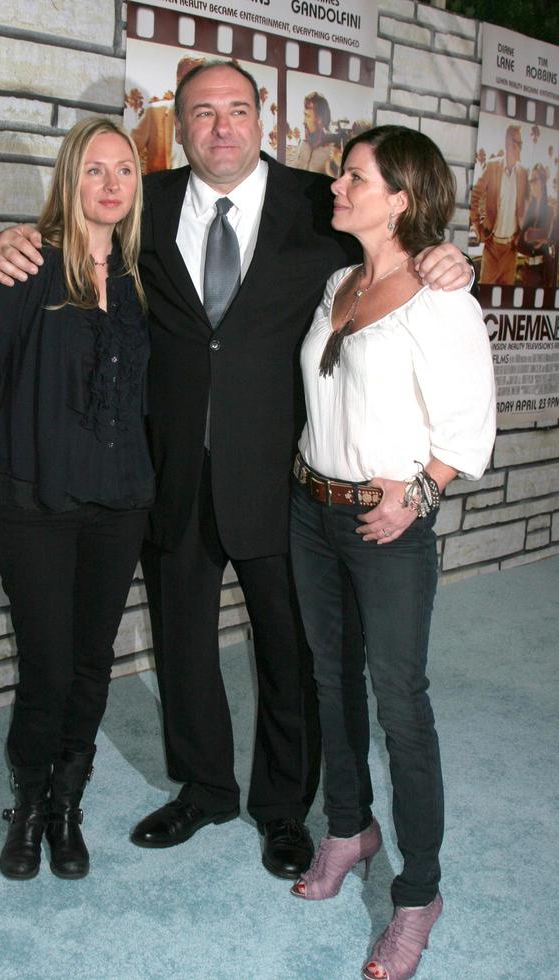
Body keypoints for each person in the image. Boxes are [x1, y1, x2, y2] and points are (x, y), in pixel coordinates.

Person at [0, 61, 473, 881]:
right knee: (183, 649)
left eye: (237, 111)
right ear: (180, 127)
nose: (221, 128)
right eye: (203, 113)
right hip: (166, 475)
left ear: (262, 118)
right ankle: (204, 787)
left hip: (282, 481)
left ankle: (282, 808)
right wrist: (15, 237)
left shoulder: (320, 207)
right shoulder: (148, 202)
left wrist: (452, 258)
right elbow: (79, 231)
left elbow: (399, 250)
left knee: (292, 656)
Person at [288, 125, 496, 980]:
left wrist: (420, 493)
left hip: (388, 529)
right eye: (342, 174)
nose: (337, 185)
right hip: (312, 510)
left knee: (400, 705)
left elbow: (468, 422)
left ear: (402, 198)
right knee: (329, 681)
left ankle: (419, 894)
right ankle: (348, 829)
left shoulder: (441, 296)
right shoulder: (338, 281)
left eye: (355, 177)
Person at [0, 118, 154, 881]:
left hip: (120, 504)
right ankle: (30, 804)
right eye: (94, 170)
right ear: (69, 178)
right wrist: (30, 449)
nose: (110, 185)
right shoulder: (29, 264)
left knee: (92, 661)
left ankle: (69, 803)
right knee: (46, 664)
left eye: (125, 171)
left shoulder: (141, 276)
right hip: (36, 505)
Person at [470, 124, 528, 284]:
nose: (521, 148)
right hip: (492, 245)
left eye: (522, 144)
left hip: (511, 249)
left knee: (505, 298)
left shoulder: (523, 173)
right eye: (519, 143)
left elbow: (527, 206)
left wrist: (521, 236)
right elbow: (475, 195)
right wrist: (476, 225)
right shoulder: (492, 166)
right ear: (509, 143)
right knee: (483, 294)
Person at [130, 56, 204, 173]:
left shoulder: (214, 122)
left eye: (195, 80)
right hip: (162, 188)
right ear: (177, 80)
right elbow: (126, 151)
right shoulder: (154, 113)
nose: (188, 86)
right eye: (183, 79)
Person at [518, 163, 555, 288]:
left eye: (535, 180)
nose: (532, 184)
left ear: (543, 182)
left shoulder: (550, 210)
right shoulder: (530, 210)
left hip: (543, 270)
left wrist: (533, 234)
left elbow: (547, 237)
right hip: (527, 269)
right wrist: (535, 236)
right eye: (530, 181)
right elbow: (521, 243)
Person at [295, 91, 333, 175]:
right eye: (304, 115)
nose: (304, 121)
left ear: (319, 119)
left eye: (307, 116)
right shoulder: (302, 145)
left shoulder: (331, 152)